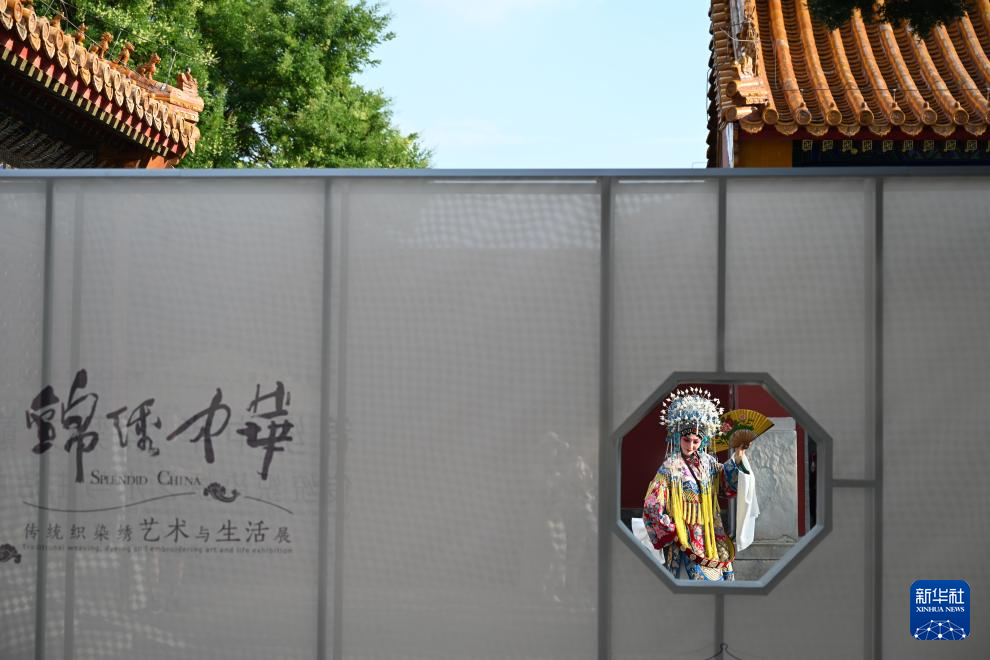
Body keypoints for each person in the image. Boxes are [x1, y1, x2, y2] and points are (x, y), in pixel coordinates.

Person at [642, 388, 752, 581]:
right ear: (678, 437)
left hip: (711, 529)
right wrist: (670, 528)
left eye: (696, 441)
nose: (691, 446)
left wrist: (738, 457)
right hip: (685, 532)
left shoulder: (708, 462)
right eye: (686, 440)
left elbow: (725, 484)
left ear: (703, 440)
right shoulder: (670, 467)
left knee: (719, 579)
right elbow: (652, 503)